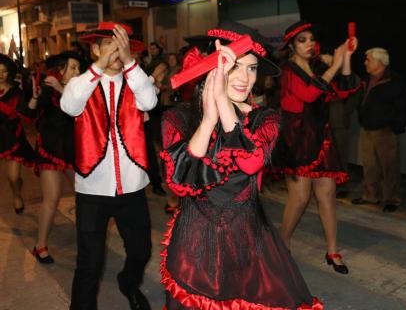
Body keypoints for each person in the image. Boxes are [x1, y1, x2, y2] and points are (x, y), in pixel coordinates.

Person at [160, 21, 322, 310]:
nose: (245, 77)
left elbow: (251, 162)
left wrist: (222, 102)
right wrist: (209, 119)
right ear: (213, 66)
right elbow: (178, 182)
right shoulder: (179, 118)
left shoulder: (265, 119)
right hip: (193, 244)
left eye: (252, 68)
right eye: (234, 66)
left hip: (247, 239)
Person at [61, 22, 157, 310]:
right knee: (90, 262)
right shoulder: (83, 83)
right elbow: (69, 105)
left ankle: (128, 283)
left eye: (121, 45)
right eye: (108, 44)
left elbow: (150, 101)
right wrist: (99, 66)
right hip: (92, 187)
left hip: (132, 186)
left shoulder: (138, 81)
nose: (115, 50)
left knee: (141, 250)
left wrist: (129, 63)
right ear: (94, 49)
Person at [271, 20, 358, 275]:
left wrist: (346, 58)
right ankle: (283, 241)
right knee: (299, 199)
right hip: (297, 140)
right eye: (302, 40)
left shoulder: (319, 66)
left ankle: (332, 250)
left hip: (321, 138)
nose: (309, 44)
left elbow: (345, 89)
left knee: (327, 195)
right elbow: (309, 94)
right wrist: (333, 66)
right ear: (291, 46)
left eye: (311, 39)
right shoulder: (288, 69)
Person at [20, 51, 82, 264]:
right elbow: (29, 117)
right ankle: (40, 245)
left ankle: (87, 238)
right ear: (61, 71)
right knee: (52, 198)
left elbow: (80, 110)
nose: (77, 72)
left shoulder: (80, 90)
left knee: (85, 198)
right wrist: (36, 97)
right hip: (50, 150)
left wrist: (60, 88)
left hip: (75, 152)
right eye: (73, 67)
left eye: (78, 68)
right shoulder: (48, 90)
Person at [351, 48, 406, 213]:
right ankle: (371, 195)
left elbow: (405, 107)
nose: (365, 62)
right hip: (367, 128)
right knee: (369, 165)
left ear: (380, 62)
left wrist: (395, 127)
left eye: (368, 59)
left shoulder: (394, 81)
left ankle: (392, 199)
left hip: (385, 130)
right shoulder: (367, 79)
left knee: (389, 166)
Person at [0, 54, 35, 214]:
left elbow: (24, 112)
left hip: (13, 137)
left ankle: (16, 195)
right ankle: (16, 190)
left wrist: (34, 98)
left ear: (9, 73)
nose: (0, 74)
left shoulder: (15, 92)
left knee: (12, 177)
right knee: (13, 177)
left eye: (4, 71)